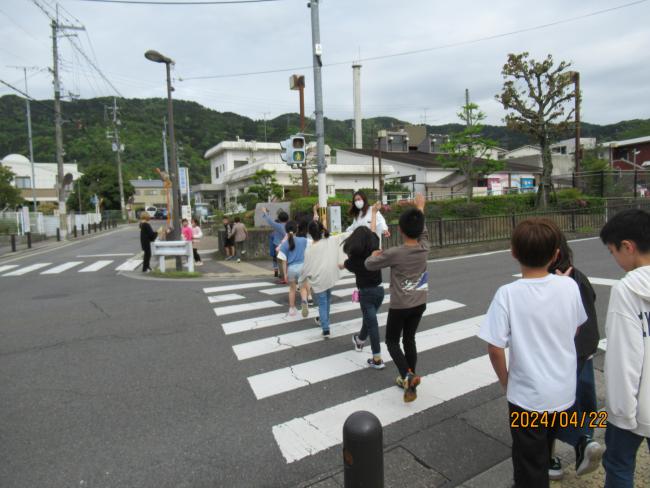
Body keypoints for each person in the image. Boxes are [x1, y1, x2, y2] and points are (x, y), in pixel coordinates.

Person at [478, 218, 587, 488]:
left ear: (513, 252)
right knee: (547, 442)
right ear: (556, 254)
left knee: (528, 463)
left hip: (526, 396)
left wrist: (505, 381)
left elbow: (494, 347)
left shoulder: (507, 294)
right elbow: (574, 330)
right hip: (562, 391)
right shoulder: (569, 286)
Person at [599, 209, 650, 488]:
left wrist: (621, 413)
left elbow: (624, 358)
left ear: (627, 246)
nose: (615, 258)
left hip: (637, 407)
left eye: (612, 251)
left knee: (619, 465)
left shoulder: (627, 290)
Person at [547, 232, 603, 480]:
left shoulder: (550, 282)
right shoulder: (578, 275)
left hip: (565, 354)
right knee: (584, 400)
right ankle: (585, 441)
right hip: (587, 349)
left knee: (555, 407)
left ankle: (578, 443)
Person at [365, 193, 429, 402]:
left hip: (400, 305)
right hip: (420, 302)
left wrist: (374, 255)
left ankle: (407, 375)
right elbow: (421, 227)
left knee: (392, 341)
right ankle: (410, 380)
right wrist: (420, 208)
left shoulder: (395, 253)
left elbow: (369, 265)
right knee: (409, 339)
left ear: (400, 230)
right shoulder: (424, 247)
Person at [343, 201, 385, 369]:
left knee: (372, 323)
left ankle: (377, 359)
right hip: (380, 291)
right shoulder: (374, 248)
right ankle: (359, 340)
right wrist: (374, 213)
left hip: (366, 294)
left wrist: (342, 265)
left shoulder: (354, 261)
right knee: (370, 319)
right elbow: (373, 230)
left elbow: (346, 264)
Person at [298, 205, 348, 337]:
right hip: (330, 276)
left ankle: (326, 328)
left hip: (319, 280)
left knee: (322, 302)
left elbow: (305, 268)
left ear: (310, 233)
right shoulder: (329, 240)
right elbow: (343, 236)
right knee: (327, 300)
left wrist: (300, 282)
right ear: (321, 231)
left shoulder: (309, 249)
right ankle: (325, 321)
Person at [279, 220, 309, 317]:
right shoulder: (303, 240)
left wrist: (285, 274)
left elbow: (283, 261)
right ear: (297, 230)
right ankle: (304, 302)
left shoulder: (284, 244)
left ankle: (292, 309)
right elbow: (313, 244)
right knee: (303, 288)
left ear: (286, 231)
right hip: (302, 267)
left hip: (291, 269)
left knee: (292, 289)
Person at [262, 208, 289, 283]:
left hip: (280, 246)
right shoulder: (289, 225)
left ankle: (283, 278)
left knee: (280, 262)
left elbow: (270, 221)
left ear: (279, 219)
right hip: (289, 245)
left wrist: (265, 212)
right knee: (287, 262)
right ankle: (288, 277)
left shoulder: (279, 226)